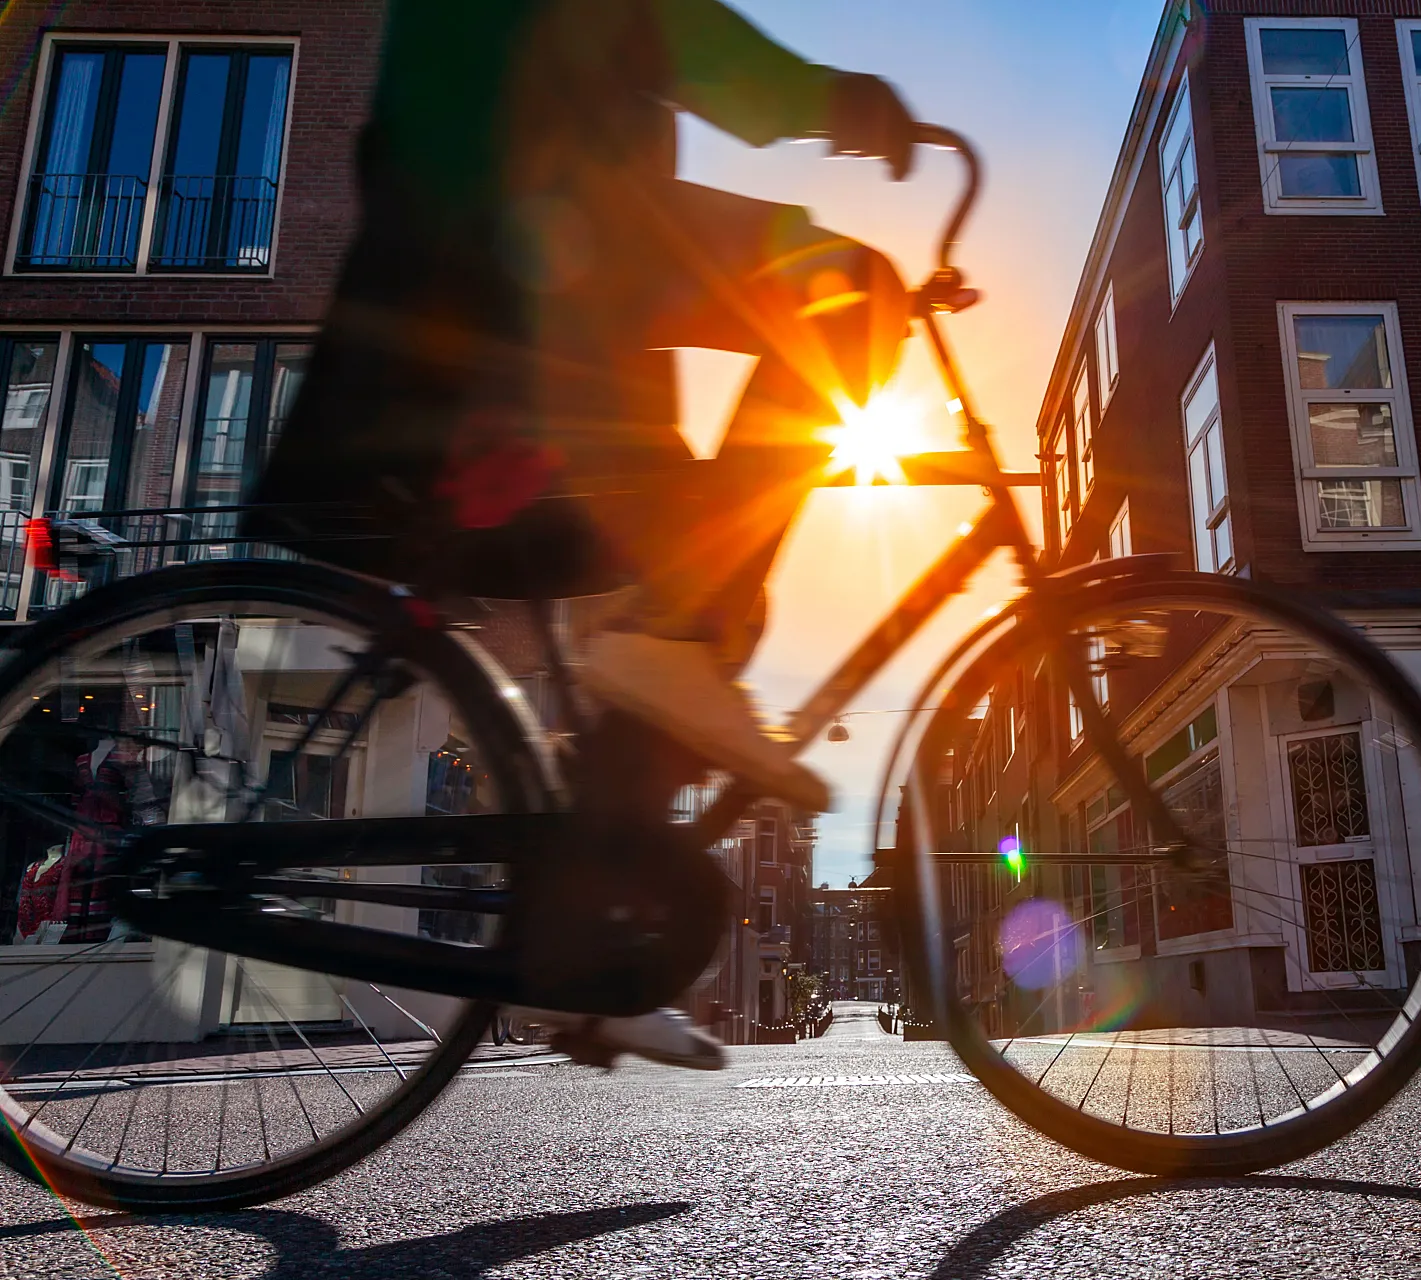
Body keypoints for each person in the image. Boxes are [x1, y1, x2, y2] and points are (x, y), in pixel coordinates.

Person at [243, 0, 920, 1069]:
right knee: (851, 286)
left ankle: (591, 959)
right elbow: (665, 33)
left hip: (537, 251)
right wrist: (834, 101)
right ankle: (675, 657)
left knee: (674, 608)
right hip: (530, 236)